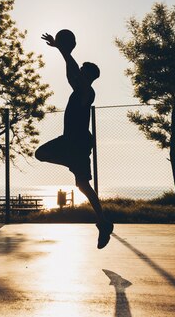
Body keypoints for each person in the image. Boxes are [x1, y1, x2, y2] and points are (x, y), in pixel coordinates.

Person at [35, 29, 114, 249]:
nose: (78, 72)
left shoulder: (86, 92)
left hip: (76, 144)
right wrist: (63, 51)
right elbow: (71, 74)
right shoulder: (79, 88)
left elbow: (74, 75)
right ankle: (103, 222)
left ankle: (103, 222)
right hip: (71, 142)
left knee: (80, 183)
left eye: (82, 71)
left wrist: (64, 51)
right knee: (79, 182)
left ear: (88, 75)